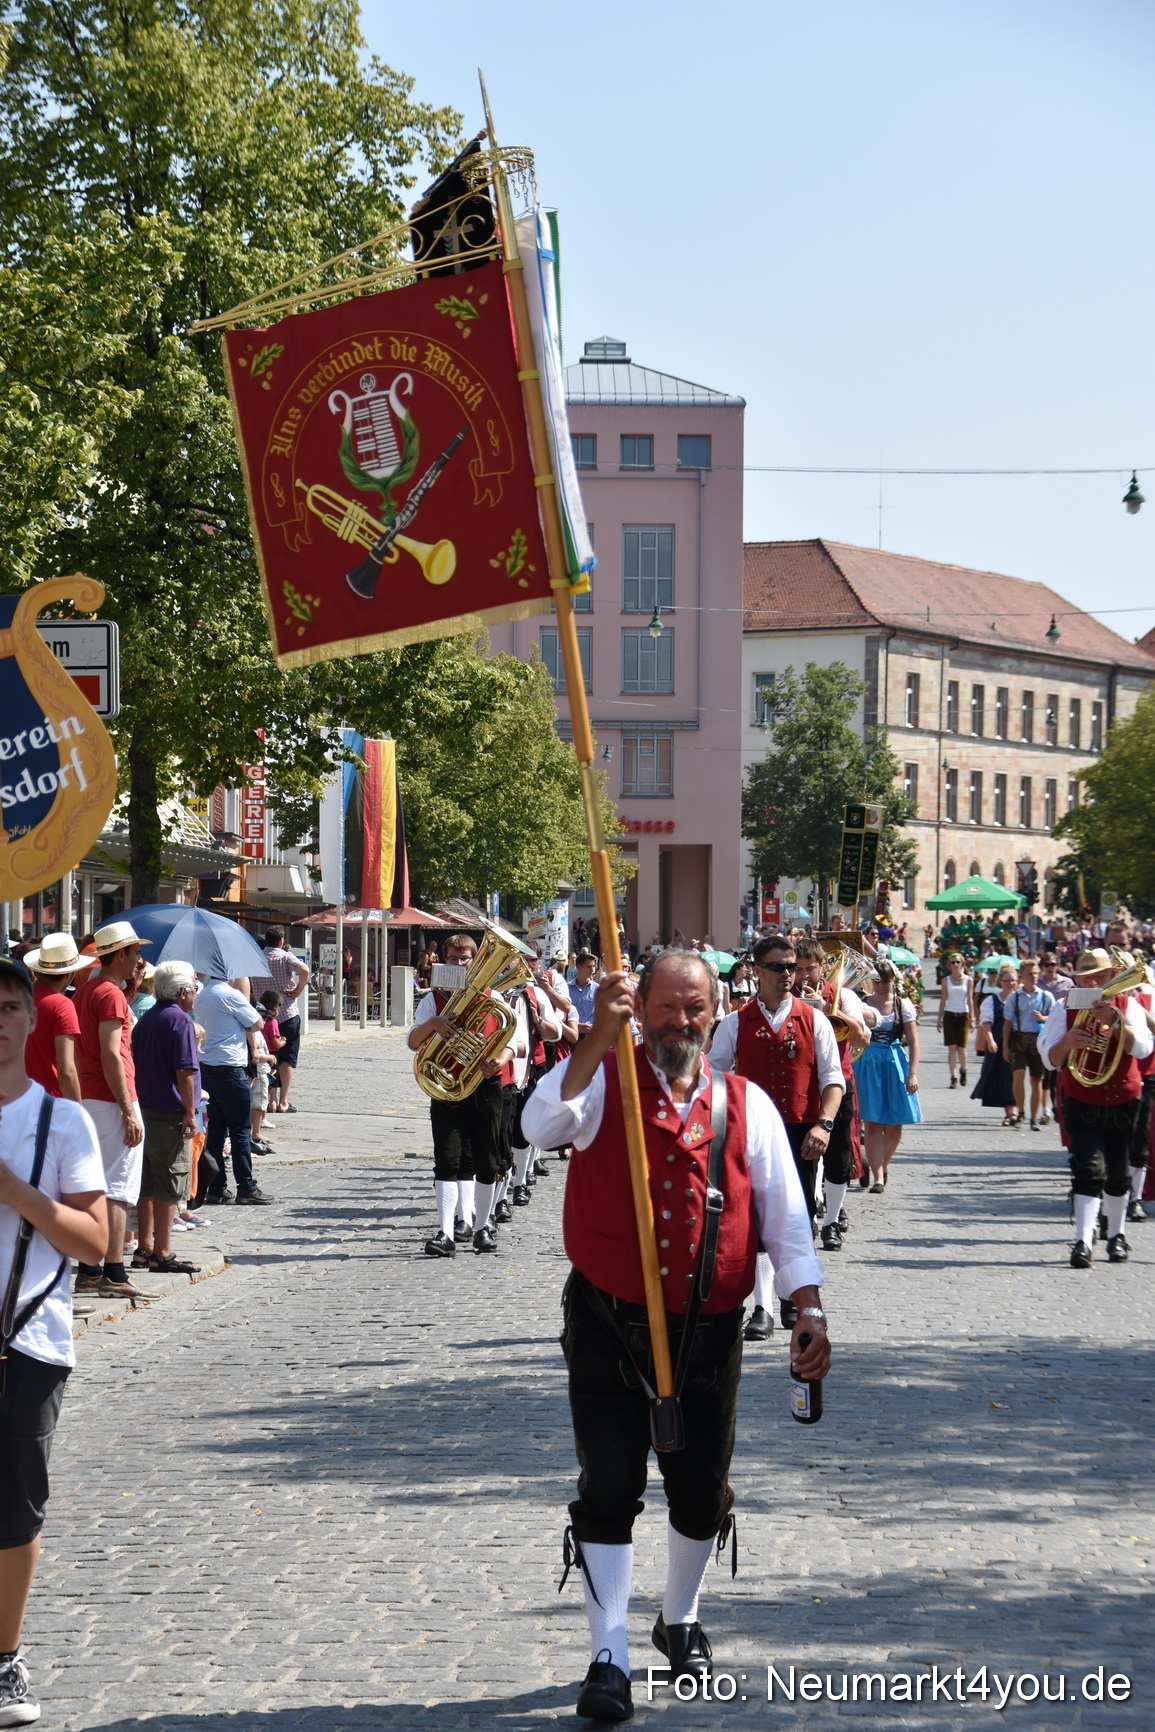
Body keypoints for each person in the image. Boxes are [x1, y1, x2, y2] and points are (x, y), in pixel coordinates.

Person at [522, 952, 827, 1723]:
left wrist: (808, 1308)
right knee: (609, 1487)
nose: (681, 1023)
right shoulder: (600, 1081)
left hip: (710, 1328)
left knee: (699, 1492)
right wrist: (596, 1034)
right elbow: (535, 1124)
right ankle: (608, 1656)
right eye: (666, 1008)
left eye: (695, 1009)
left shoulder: (744, 1102)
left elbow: (786, 1218)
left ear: (714, 1009)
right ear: (639, 1007)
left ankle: (679, 1617)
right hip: (604, 1321)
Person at [0, 955, 109, 1727]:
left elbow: (97, 1242)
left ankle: (4, 1659)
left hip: (25, 1339)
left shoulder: (60, 1120)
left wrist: (15, 1193)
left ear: (29, 1017)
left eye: (9, 1006)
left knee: (13, 1511)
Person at [707, 934, 842, 1336]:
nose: (788, 974)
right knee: (754, 1216)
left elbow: (833, 1080)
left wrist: (824, 1124)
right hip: (751, 1132)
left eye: (791, 966)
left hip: (803, 1130)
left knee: (796, 1216)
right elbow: (714, 1076)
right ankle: (761, 1306)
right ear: (758, 970)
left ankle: (792, 1299)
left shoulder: (814, 1018)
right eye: (779, 967)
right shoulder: (735, 1022)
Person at [1038, 948, 1153, 1268]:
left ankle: (1116, 1236)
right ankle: (1083, 1241)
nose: (1095, 983)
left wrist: (1117, 1026)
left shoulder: (1128, 1006)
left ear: (1113, 977)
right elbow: (1048, 1056)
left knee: (1118, 1173)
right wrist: (1066, 1043)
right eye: (1087, 978)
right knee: (1088, 1170)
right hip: (1081, 1100)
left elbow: (1144, 1048)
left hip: (1124, 1099)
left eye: (1101, 977)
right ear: (1077, 980)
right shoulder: (1064, 1007)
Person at [408, 932, 513, 1256]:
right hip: (447, 1089)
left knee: (486, 1160)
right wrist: (436, 1024)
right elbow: (413, 1041)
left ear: (475, 960)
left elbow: (513, 1040)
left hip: (484, 1087)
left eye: (464, 958)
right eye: (452, 959)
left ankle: (481, 1228)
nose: (458, 963)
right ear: (444, 961)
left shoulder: (494, 998)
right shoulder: (433, 1000)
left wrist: (500, 1060)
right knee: (447, 1161)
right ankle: (445, 1232)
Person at [71, 920, 150, 1301]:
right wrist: (127, 1110)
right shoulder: (108, 995)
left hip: (90, 1095)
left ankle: (89, 1270)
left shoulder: (88, 990)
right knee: (117, 1190)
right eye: (134, 952)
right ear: (119, 954)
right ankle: (114, 1272)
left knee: (97, 1184)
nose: (139, 959)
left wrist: (131, 985)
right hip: (109, 1097)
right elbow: (111, 1054)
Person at [791, 937, 873, 1253]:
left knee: (838, 1160)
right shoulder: (786, 996)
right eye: (798, 969)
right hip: (803, 1087)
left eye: (810, 969)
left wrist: (828, 1009)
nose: (804, 976)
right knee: (804, 1160)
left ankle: (832, 1223)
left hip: (839, 1084)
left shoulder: (844, 995)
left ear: (823, 966)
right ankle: (807, 1219)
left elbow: (863, 1038)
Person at [129, 961, 202, 1275]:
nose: (195, 994)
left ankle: (144, 1248)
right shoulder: (180, 1021)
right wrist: (189, 1111)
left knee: (146, 1184)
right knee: (170, 1183)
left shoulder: (147, 1020)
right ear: (183, 991)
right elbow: (184, 1069)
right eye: (194, 988)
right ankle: (162, 1251)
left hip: (144, 1109)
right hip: (170, 1113)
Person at [194, 973, 271, 1207]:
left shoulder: (203, 994)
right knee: (239, 1131)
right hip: (230, 1068)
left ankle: (216, 1186)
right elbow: (258, 1023)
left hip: (208, 1066)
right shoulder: (231, 995)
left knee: (216, 1129)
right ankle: (246, 1186)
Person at [853, 960, 922, 1190]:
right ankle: (878, 1177)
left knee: (894, 1125)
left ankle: (883, 1163)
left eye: (886, 980)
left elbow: (912, 1041)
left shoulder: (903, 1006)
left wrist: (912, 1074)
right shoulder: (862, 1005)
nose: (882, 985)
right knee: (872, 1123)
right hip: (867, 1063)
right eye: (877, 980)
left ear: (893, 981)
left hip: (894, 1063)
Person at [22, 934, 98, 1102]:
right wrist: (78, 1112)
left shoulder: (16, 1000)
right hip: (50, 1103)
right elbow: (66, 1070)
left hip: (15, 1100)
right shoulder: (62, 1005)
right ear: (67, 975)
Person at [1001, 958, 1055, 1132]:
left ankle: (1034, 1118)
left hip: (1038, 1040)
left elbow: (1055, 1019)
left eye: (1036, 973)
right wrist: (1005, 1047)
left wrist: (1043, 1018)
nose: (1033, 976)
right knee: (1018, 1076)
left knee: (1036, 1080)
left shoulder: (1046, 996)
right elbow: (1007, 1023)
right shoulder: (1014, 997)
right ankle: (1021, 1111)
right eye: (1030, 974)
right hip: (1019, 1039)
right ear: (1022, 976)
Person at [261, 928, 309, 1114]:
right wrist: (298, 989)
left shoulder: (257, 956)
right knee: (287, 1059)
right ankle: (283, 1102)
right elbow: (304, 969)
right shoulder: (285, 956)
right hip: (286, 1013)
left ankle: (270, 1101)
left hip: (264, 1016)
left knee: (270, 1058)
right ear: (281, 940)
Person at [972, 964, 1019, 1125]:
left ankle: (1020, 1111)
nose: (1011, 984)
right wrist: (990, 1040)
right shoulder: (992, 1000)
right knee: (1004, 1076)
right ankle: (1010, 1112)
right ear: (1000, 982)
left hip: (1019, 1040)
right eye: (1007, 981)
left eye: (1013, 981)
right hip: (999, 1040)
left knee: (1016, 1076)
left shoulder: (1021, 997)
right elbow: (985, 1022)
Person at [936, 953, 974, 1088]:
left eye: (957, 962)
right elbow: (943, 999)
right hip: (950, 1015)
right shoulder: (946, 980)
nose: (955, 965)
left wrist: (972, 1019)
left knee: (961, 1048)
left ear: (962, 963)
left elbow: (970, 1000)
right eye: (952, 962)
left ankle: (963, 1069)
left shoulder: (969, 980)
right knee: (952, 1048)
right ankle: (953, 1076)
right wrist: (939, 1018)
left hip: (964, 1015)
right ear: (949, 965)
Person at [570, 951, 599, 1039]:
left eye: (594, 966)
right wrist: (577, 1025)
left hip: (592, 1036)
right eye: (589, 966)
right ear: (579, 967)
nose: (592, 970)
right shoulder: (567, 988)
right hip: (572, 1035)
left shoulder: (597, 989)